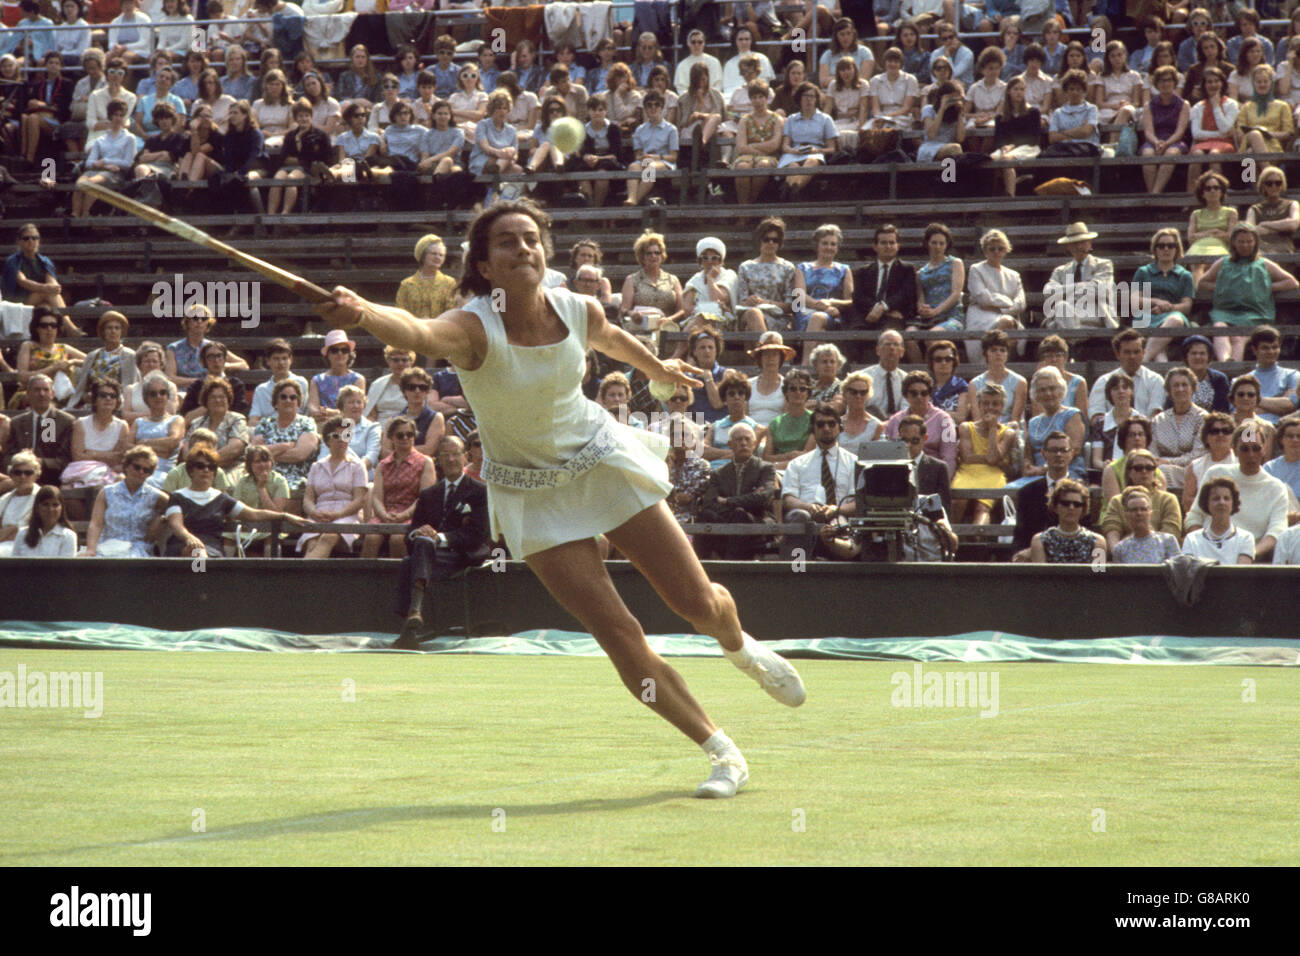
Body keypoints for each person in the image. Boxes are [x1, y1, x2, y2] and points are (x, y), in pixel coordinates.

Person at [318, 199, 806, 799]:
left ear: (544, 251)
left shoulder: (578, 307)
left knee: (698, 604)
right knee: (619, 634)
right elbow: (418, 332)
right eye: (506, 243)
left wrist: (659, 367)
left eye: (531, 239)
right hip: (529, 493)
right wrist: (364, 311)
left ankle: (742, 652)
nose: (523, 248)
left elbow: (613, 336)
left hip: (601, 462)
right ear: (485, 266)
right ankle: (721, 751)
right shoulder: (473, 327)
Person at [391, 434, 492, 646]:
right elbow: (411, 534)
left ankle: (411, 618)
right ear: (438, 460)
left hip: (464, 555)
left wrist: (440, 538)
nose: (451, 460)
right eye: (445, 455)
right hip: (431, 557)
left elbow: (477, 535)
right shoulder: (429, 494)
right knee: (417, 549)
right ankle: (414, 616)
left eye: (455, 454)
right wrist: (418, 534)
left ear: (465, 457)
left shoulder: (480, 491)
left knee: (412, 560)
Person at [165, 446, 305, 557]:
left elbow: (253, 514)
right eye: (200, 466)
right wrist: (189, 538)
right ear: (191, 471)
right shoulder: (178, 496)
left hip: (211, 548)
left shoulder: (220, 498)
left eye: (211, 467)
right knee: (198, 555)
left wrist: (285, 516)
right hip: (182, 545)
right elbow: (176, 525)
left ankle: (200, 586)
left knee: (200, 557)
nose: (206, 470)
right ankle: (198, 586)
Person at [1184, 424, 1291, 562]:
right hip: (1205, 558)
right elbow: (1194, 516)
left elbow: (1276, 532)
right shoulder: (1216, 474)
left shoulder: (1276, 488)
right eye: (1245, 449)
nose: (1251, 455)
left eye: (1256, 448)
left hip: (1250, 561)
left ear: (1264, 449)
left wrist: (1247, 554)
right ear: (1234, 450)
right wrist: (1202, 549)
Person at [1201, 223, 1300, 361]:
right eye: (1241, 242)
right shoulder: (1223, 263)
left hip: (1255, 314)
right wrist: (1224, 287)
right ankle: (1225, 361)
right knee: (1219, 327)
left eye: (1249, 241)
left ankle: (1232, 367)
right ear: (1234, 242)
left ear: (1255, 243)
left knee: (1238, 337)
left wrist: (1264, 287)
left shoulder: (1263, 263)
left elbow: (1292, 282)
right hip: (1226, 312)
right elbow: (1203, 283)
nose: (1245, 245)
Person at [780, 402, 860, 560]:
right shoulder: (797, 464)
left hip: (839, 518)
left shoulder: (854, 463)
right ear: (812, 429)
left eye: (831, 423)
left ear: (840, 427)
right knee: (799, 517)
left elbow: (858, 502)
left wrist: (836, 510)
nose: (826, 428)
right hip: (806, 519)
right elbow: (788, 499)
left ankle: (842, 576)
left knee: (840, 523)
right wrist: (809, 507)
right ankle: (797, 570)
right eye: (821, 424)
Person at [695, 423, 777, 559]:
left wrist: (727, 501)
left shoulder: (765, 468)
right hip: (725, 523)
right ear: (730, 444)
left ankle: (732, 569)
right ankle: (699, 570)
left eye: (747, 439)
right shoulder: (718, 473)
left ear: (754, 443)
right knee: (705, 515)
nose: (743, 443)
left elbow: (763, 498)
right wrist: (749, 498)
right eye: (739, 440)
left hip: (757, 522)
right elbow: (710, 503)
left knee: (739, 515)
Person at [363, 416, 435, 559]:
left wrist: (403, 515)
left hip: (413, 514)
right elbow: (377, 497)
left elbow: (424, 498)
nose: (405, 438)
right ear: (391, 437)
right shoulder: (383, 465)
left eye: (409, 434)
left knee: (397, 539)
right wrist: (384, 515)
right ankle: (363, 579)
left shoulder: (425, 462)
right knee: (371, 537)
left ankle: (400, 578)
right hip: (386, 513)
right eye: (400, 435)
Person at [296, 416, 368, 558]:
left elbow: (360, 500)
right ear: (327, 440)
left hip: (346, 515)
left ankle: (301, 577)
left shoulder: (358, 466)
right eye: (336, 435)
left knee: (328, 537)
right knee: (312, 542)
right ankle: (308, 577)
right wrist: (314, 512)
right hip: (320, 514)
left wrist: (338, 514)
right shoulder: (316, 467)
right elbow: (308, 498)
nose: (341, 439)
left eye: (346, 435)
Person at [81, 444, 167, 557]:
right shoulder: (107, 493)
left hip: (138, 548)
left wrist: (160, 518)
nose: (141, 472)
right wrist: (91, 550)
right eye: (137, 467)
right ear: (127, 466)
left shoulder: (155, 495)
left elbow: (175, 508)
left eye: (147, 470)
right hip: (108, 546)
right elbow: (96, 524)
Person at [850, 224, 918, 357]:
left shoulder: (907, 269)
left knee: (888, 337)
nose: (888, 246)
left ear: (898, 246)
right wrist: (875, 308)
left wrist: (883, 308)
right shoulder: (863, 271)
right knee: (851, 333)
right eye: (883, 243)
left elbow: (905, 295)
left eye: (892, 242)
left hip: (896, 317)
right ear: (875, 246)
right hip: (868, 315)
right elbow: (858, 297)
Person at [951, 382, 1014, 524]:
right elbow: (967, 458)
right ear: (979, 406)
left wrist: (993, 428)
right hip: (968, 472)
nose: (990, 408)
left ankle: (979, 540)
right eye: (985, 403)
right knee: (957, 503)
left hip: (993, 474)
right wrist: (997, 459)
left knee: (982, 508)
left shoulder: (1008, 433)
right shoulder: (966, 427)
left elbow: (991, 460)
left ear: (1002, 407)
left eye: (995, 404)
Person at [1098, 448, 1183, 553]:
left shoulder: (1168, 499)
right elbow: (1112, 530)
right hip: (1126, 554)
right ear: (1129, 472)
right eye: (1138, 468)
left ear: (1155, 472)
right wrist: (1118, 552)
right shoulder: (1117, 501)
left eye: (1149, 468)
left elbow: (1171, 532)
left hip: (1160, 556)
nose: (1144, 471)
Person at [1134, 228, 1197, 364]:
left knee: (1176, 320)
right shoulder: (1144, 272)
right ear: (1155, 249)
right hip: (1147, 315)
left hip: (1173, 317)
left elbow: (1186, 306)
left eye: (1171, 246)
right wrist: (1156, 302)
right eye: (1161, 246)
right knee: (1160, 355)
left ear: (1177, 249)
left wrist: (1167, 308)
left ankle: (1142, 361)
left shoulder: (1184, 275)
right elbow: (1135, 300)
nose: (1166, 249)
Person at [1042, 221, 1117, 331]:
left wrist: (1065, 292)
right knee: (1062, 307)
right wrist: (1083, 287)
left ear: (1090, 243)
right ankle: (1075, 340)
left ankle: (1074, 342)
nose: (1078, 246)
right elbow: (1049, 292)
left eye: (1082, 242)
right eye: (1074, 243)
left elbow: (1099, 289)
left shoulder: (1103, 265)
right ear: (1068, 246)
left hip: (1093, 316)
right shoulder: (1060, 271)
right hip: (1066, 316)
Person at [964, 229, 1024, 363]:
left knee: (1008, 322)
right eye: (992, 249)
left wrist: (1003, 309)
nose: (996, 252)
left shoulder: (1014, 275)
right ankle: (986, 364)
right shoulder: (976, 269)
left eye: (1000, 248)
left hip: (1007, 314)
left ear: (1006, 250)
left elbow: (1021, 302)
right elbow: (982, 297)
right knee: (1007, 322)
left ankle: (1003, 365)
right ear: (985, 251)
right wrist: (1007, 302)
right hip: (981, 315)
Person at [250, 379, 319, 494]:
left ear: (298, 403)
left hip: (296, 477)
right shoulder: (265, 423)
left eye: (293, 397)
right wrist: (286, 446)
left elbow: (300, 454)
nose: (288, 400)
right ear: (275, 402)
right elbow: (254, 452)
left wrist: (268, 453)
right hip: (266, 475)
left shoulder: (307, 423)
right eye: (283, 397)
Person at [883, 370, 958, 477]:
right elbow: (886, 453)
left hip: (932, 475)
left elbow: (949, 456)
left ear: (930, 395)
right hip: (899, 474)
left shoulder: (944, 420)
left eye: (924, 393)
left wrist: (943, 481)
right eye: (914, 393)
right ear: (905, 395)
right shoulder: (895, 420)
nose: (919, 397)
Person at [3, 375, 74, 485]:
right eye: (37, 390)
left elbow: (65, 460)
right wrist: (20, 459)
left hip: (51, 479)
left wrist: (40, 462)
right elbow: (6, 458)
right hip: (20, 477)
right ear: (28, 394)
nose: (41, 394)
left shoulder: (64, 421)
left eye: (46, 390)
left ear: (52, 394)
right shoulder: (17, 423)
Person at [1088, 329, 1167, 427]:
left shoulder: (1155, 380)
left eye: (1136, 352)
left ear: (1143, 353)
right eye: (1127, 352)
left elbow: (1156, 417)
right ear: (1117, 354)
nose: (1132, 356)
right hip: (1110, 437)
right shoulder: (1104, 381)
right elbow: (1096, 417)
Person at [62, 378, 130, 490]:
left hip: (110, 473)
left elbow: (119, 458)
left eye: (113, 396)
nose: (108, 399)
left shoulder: (122, 426)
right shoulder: (81, 423)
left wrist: (91, 453)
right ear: (94, 400)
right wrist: (108, 455)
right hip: (81, 471)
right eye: (103, 395)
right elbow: (77, 457)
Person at [736, 217, 798, 333]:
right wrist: (749, 302)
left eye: (775, 240)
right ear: (759, 240)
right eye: (766, 239)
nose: (771, 243)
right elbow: (741, 302)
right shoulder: (745, 267)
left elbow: (792, 306)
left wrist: (766, 303)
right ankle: (768, 349)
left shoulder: (788, 268)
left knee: (750, 328)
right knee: (754, 314)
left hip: (779, 318)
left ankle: (763, 349)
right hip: (749, 314)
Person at [1151, 367, 1207, 492]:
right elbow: (1152, 452)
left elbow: (1198, 454)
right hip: (1160, 470)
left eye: (1184, 385)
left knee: (1162, 471)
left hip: (1192, 470)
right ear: (1169, 391)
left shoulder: (1202, 418)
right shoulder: (1158, 420)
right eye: (1175, 385)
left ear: (1193, 388)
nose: (1180, 389)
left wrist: (1168, 462)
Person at [1026, 367, 1086, 480]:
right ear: (1036, 395)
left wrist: (1043, 470)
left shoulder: (1072, 415)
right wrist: (1028, 467)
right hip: (1036, 475)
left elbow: (1074, 450)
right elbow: (1027, 455)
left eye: (1052, 388)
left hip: (1067, 473)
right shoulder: (1033, 422)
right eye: (1042, 390)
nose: (1048, 393)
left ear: (1061, 390)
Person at [619, 230, 685, 332]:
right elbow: (623, 310)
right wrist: (632, 314)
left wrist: (669, 319)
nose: (653, 256)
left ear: (662, 255)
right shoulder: (632, 280)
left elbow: (682, 310)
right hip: (640, 328)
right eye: (648, 253)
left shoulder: (673, 280)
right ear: (642, 257)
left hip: (666, 329)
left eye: (657, 253)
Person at [1029, 478, 1105, 564]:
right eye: (1065, 503)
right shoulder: (1040, 541)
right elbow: (1039, 576)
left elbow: (1099, 574)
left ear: (1083, 509)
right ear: (1055, 506)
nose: (1071, 508)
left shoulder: (1098, 542)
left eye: (1077, 504)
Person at [1181, 476, 1254, 563]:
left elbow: (1241, 574)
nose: (1222, 502)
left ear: (1233, 503)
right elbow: (1189, 574)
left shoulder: (1245, 538)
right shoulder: (1192, 539)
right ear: (1206, 503)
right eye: (1216, 498)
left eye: (1226, 498)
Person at [1185, 67, 1237, 190]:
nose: (1213, 85)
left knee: (1214, 154)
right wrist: (1219, 134)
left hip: (1225, 143)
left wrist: (1215, 106)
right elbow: (1196, 133)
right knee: (1197, 154)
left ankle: (1218, 192)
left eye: (1216, 81)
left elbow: (1225, 128)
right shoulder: (1198, 106)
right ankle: (1191, 197)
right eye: (1209, 82)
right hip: (1202, 143)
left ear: (1222, 83)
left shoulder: (1231, 104)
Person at [731, 79, 782, 206]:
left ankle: (749, 205)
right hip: (747, 157)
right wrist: (759, 150)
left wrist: (752, 146)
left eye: (761, 97)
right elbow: (741, 147)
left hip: (770, 157)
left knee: (763, 165)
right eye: (754, 97)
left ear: (766, 98)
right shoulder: (745, 120)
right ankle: (743, 208)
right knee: (743, 167)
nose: (757, 101)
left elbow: (774, 145)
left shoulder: (776, 119)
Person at [129, 370, 183, 484]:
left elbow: (172, 442)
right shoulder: (138, 422)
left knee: (146, 482)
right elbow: (127, 447)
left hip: (163, 473)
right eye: (153, 394)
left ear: (168, 396)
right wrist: (160, 448)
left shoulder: (176, 420)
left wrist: (143, 442)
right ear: (146, 398)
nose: (158, 397)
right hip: (138, 470)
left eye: (162, 392)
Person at [1140, 65, 1188, 194]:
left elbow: (1180, 131)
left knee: (1170, 154)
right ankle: (1152, 197)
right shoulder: (1149, 105)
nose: (1165, 84)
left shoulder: (1183, 104)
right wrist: (1156, 142)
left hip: (1175, 140)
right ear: (1156, 84)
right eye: (1162, 81)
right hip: (1154, 140)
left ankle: (1154, 194)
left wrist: (1166, 143)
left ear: (1174, 82)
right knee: (1148, 155)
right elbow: (1148, 131)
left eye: (1169, 80)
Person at [624, 91, 677, 207]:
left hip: (664, 162)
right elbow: (637, 155)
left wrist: (654, 157)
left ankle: (634, 202)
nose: (653, 108)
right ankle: (631, 197)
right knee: (633, 166)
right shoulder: (640, 130)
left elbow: (673, 157)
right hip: (645, 160)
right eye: (649, 105)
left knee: (651, 168)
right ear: (645, 108)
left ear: (661, 107)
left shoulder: (671, 129)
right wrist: (644, 157)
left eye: (656, 104)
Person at [1185, 170, 1235, 284]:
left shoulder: (1231, 212)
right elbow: (1190, 238)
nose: (1212, 191)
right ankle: (1197, 295)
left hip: (1220, 247)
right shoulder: (1196, 214)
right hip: (1198, 247)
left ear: (1222, 191)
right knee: (1197, 264)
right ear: (1202, 193)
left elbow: (1231, 237)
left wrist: (1201, 234)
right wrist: (1213, 232)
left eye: (1216, 188)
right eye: (1208, 188)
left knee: (1215, 264)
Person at [186, 378, 249, 470]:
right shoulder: (197, 423)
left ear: (228, 400)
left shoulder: (237, 420)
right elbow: (187, 452)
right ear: (206, 401)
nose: (218, 400)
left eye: (222, 397)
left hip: (231, 469)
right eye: (213, 397)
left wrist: (206, 464)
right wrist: (201, 467)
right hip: (198, 471)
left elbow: (234, 449)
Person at [967, 329, 1027, 426]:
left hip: (1010, 432)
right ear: (985, 353)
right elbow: (977, 420)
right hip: (983, 431)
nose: (998, 353)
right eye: (993, 350)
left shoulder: (1020, 382)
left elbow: (1015, 420)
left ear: (1007, 354)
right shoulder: (974, 384)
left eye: (1002, 350)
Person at [681, 237, 738, 336]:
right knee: (702, 318)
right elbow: (687, 309)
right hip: (696, 321)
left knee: (703, 317)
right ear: (700, 261)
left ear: (721, 260)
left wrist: (710, 278)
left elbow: (717, 299)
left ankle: (677, 352)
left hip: (724, 323)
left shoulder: (729, 275)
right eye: (705, 258)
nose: (709, 262)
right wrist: (706, 309)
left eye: (714, 258)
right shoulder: (695, 280)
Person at [1182, 411, 1237, 515]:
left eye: (1226, 431)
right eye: (1214, 431)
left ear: (1233, 436)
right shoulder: (1195, 466)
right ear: (1206, 437)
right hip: (1202, 518)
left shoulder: (1241, 463)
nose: (1220, 435)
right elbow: (1187, 502)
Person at [307, 329, 365, 425]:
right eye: (334, 350)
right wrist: (318, 412)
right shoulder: (317, 380)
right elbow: (312, 406)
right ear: (328, 355)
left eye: (344, 350)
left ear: (349, 354)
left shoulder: (358, 379)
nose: (340, 353)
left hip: (349, 425)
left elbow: (356, 408)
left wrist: (331, 413)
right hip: (324, 424)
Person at [1110, 486, 1182, 563]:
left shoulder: (1168, 541)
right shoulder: (1121, 548)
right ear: (1126, 515)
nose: (1139, 513)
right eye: (1134, 510)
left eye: (1143, 509)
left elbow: (1177, 572)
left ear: (1150, 513)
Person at [396, 234, 458, 322]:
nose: (438, 257)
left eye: (441, 255)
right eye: (434, 254)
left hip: (440, 332)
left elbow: (451, 313)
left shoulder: (449, 283)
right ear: (422, 255)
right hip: (413, 333)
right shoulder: (406, 284)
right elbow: (400, 315)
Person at [247, 339, 307, 429]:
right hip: (270, 432)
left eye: (284, 358)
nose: (281, 363)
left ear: (291, 360)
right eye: (276, 359)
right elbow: (252, 421)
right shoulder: (261, 390)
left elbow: (307, 414)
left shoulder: (301, 382)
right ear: (268, 361)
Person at [1246, 326, 1299, 426]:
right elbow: (1242, 412)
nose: (1271, 352)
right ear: (1254, 350)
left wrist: (1254, 400)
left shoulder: (1292, 375)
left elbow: (1290, 406)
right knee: (1246, 428)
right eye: (1265, 348)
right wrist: (1278, 403)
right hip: (1251, 426)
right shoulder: (1242, 380)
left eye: (1274, 347)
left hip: (1282, 428)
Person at [763, 369, 816, 468]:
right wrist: (789, 455)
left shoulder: (815, 420)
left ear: (808, 393)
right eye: (793, 388)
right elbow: (766, 457)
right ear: (786, 392)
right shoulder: (775, 423)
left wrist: (779, 461)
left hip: (803, 469)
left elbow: (808, 455)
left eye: (802, 389)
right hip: (776, 470)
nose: (798, 392)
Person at [7, 485, 77, 557]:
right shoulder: (22, 534)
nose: (50, 509)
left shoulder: (68, 536)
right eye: (46, 504)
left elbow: (66, 567)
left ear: (61, 508)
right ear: (37, 508)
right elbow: (15, 565)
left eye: (55, 505)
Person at [1246, 166, 1299, 256]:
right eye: (1269, 183)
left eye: (1278, 183)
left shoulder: (1291, 204)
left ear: (1283, 185)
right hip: (1261, 250)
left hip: (1284, 250)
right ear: (1263, 185)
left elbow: (1293, 224)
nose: (1274, 186)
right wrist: (1281, 226)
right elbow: (1249, 231)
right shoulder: (1255, 209)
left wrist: (1265, 225)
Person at [746, 331, 793, 427]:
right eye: (766, 354)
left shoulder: (788, 386)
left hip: (777, 434)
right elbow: (744, 415)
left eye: (775, 354)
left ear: (781, 358)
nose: (770, 359)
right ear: (760, 358)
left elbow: (786, 418)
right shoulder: (748, 384)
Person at [1032, 335, 1086, 415]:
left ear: (1065, 357)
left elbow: (1082, 415)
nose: (1054, 359)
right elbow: (1037, 414)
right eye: (1049, 356)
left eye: (1058, 355)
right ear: (1043, 359)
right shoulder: (1038, 383)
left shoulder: (1078, 382)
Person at [0, 451, 41, 556]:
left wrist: (9, 531)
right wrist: (13, 530)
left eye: (28, 473)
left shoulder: (42, 498)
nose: (23, 477)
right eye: (18, 473)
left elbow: (35, 531)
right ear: (11, 475)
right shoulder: (4, 500)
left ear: (36, 475)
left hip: (31, 546)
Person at [837, 370, 883, 459]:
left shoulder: (877, 426)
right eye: (853, 392)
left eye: (863, 392)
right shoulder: (835, 423)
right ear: (845, 394)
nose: (858, 396)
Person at [927, 339, 969, 424]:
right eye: (938, 359)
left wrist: (932, 414)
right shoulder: (925, 385)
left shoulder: (961, 386)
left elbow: (961, 417)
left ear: (954, 361)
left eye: (948, 359)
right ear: (931, 362)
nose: (943, 363)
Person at [1263, 416, 1300, 506]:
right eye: (1290, 436)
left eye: (1299, 436)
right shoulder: (1270, 468)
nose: (1295, 440)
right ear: (1281, 439)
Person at [808, 344, 848, 414]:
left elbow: (837, 408)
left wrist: (816, 404)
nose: (828, 365)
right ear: (815, 365)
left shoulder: (843, 387)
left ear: (838, 365)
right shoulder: (809, 386)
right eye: (824, 361)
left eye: (832, 362)